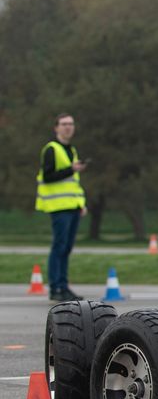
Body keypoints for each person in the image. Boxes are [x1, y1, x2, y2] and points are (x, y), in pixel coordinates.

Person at [35, 113, 88, 301]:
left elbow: (73, 183)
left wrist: (81, 204)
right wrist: (71, 169)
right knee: (59, 246)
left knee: (66, 248)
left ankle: (64, 285)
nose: (68, 127)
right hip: (58, 206)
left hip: (72, 205)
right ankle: (56, 287)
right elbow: (48, 176)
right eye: (64, 124)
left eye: (71, 124)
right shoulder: (51, 149)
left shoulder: (71, 150)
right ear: (56, 127)